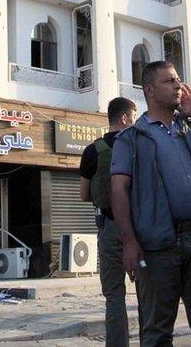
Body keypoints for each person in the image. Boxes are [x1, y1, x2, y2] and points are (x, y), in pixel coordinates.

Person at [110, 61, 191, 346]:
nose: (178, 86)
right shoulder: (131, 138)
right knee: (156, 332)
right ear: (149, 90)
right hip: (156, 244)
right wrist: (129, 242)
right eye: (169, 81)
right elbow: (119, 191)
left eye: (178, 80)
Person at [79, 97, 137, 347]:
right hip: (141, 229)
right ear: (124, 118)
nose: (134, 122)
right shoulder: (138, 145)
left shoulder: (93, 150)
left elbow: (84, 195)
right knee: (148, 294)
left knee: (114, 296)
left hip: (109, 228)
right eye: (133, 117)